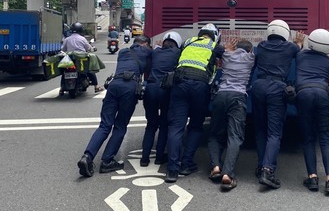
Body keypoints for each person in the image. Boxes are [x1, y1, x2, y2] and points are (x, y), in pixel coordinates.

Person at [77, 35, 152, 177]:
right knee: (120, 126)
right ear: (144, 44)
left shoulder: (123, 52)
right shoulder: (146, 51)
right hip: (129, 88)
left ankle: (87, 156)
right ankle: (107, 161)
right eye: (148, 45)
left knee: (105, 125)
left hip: (113, 86)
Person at [165, 24, 224, 183]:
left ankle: (172, 170)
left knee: (177, 126)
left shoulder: (188, 42)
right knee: (196, 126)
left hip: (179, 84)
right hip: (200, 86)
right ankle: (186, 164)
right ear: (214, 35)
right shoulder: (214, 46)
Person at [252, 20, 304, 189]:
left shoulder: (261, 46)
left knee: (260, 129)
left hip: (258, 87)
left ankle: (261, 166)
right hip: (277, 88)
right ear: (285, 33)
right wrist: (299, 42)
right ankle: (268, 170)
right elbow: (300, 53)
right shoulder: (290, 47)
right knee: (274, 132)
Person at [295, 29, 329, 194]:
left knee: (308, 138)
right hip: (322, 95)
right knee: (326, 139)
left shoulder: (300, 56)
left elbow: (298, 49)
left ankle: (312, 178)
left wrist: (299, 42)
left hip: (303, 95)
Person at [207, 39, 255, 191]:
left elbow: (215, 49)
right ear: (249, 50)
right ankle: (227, 174)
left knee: (215, 133)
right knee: (235, 136)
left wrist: (227, 49)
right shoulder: (250, 58)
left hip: (221, 95)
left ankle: (215, 166)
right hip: (238, 97)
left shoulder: (226, 55)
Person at [140, 31, 183, 167]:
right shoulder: (178, 53)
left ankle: (144, 159)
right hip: (166, 89)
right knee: (164, 124)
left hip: (150, 89)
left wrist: (157, 48)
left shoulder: (155, 52)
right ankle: (159, 157)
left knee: (151, 125)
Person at [61, 22, 103, 93]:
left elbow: (63, 50)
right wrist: (92, 49)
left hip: (70, 61)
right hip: (81, 61)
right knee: (90, 71)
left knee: (64, 72)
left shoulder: (67, 39)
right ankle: (96, 87)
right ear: (80, 30)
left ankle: (61, 89)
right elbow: (89, 48)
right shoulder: (82, 39)